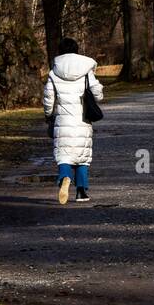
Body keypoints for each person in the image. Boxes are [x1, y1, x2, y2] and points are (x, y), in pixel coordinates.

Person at [42, 38, 104, 204]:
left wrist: (48, 114)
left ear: (60, 51)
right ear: (76, 50)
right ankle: (81, 192)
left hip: (62, 120)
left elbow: (48, 98)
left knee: (64, 155)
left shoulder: (54, 71)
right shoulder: (85, 71)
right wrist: (97, 96)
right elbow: (97, 93)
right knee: (82, 156)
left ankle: (64, 177)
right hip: (82, 119)